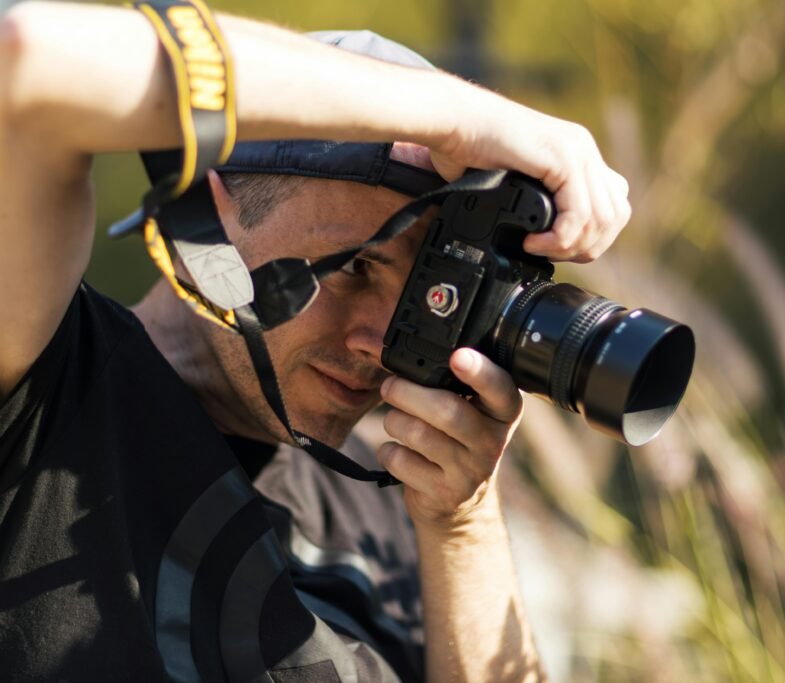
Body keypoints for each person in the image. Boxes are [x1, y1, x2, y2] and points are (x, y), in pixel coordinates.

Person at [0, 2, 630, 682]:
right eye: (356, 267)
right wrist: (460, 118)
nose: (382, 341)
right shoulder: (46, 389)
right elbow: (28, 59)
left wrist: (461, 525)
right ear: (207, 224)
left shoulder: (398, 510)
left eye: (421, 292)